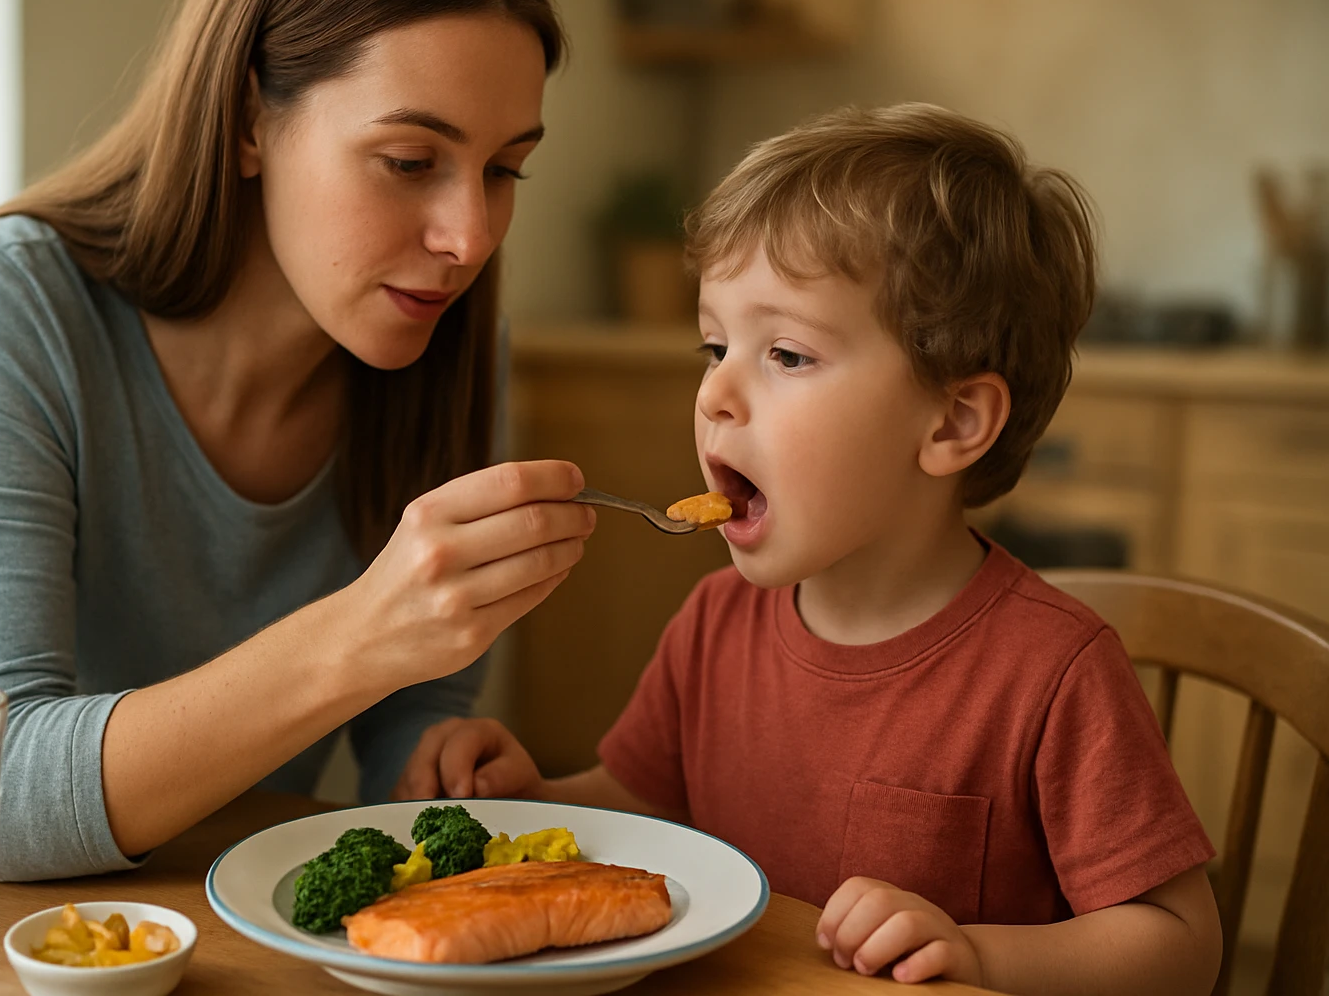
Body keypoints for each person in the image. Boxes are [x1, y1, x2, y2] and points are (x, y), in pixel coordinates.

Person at [394, 104, 1224, 993]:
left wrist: (982, 954)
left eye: (785, 354)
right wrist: (533, 800)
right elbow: (646, 803)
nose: (715, 392)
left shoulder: (1054, 673)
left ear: (951, 421)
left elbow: (1180, 942)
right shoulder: (714, 624)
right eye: (715, 345)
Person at [0, 0, 597, 882]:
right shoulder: (11, 304)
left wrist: (434, 757)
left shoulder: (447, 342)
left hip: (228, 905)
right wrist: (355, 638)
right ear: (247, 119)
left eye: (503, 170)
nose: (469, 237)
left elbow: (409, 705)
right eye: (411, 162)